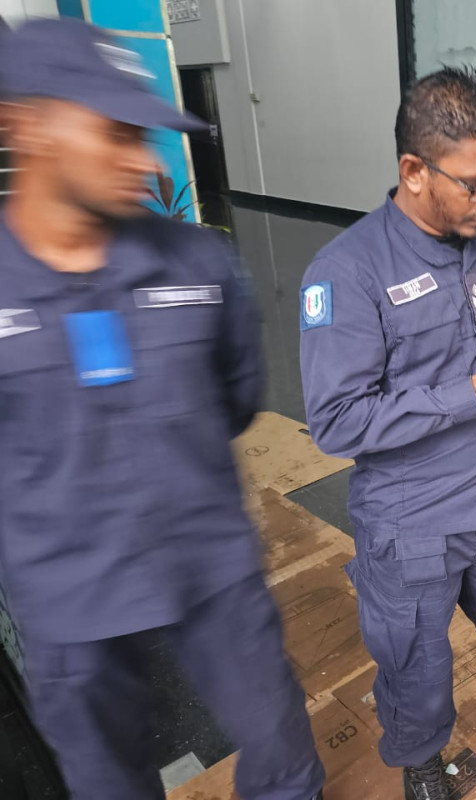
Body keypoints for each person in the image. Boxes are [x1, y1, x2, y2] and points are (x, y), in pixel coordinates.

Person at [0, 19, 324, 800]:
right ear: (26, 122)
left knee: (282, 751)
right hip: (66, 596)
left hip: (209, 562)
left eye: (141, 135)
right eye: (114, 134)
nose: (142, 162)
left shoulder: (199, 262)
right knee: (108, 780)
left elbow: (237, 396)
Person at [299, 67, 476, 799]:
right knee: (415, 657)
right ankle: (422, 759)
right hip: (411, 520)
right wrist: (469, 395)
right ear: (413, 170)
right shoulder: (348, 271)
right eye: (474, 185)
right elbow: (336, 421)